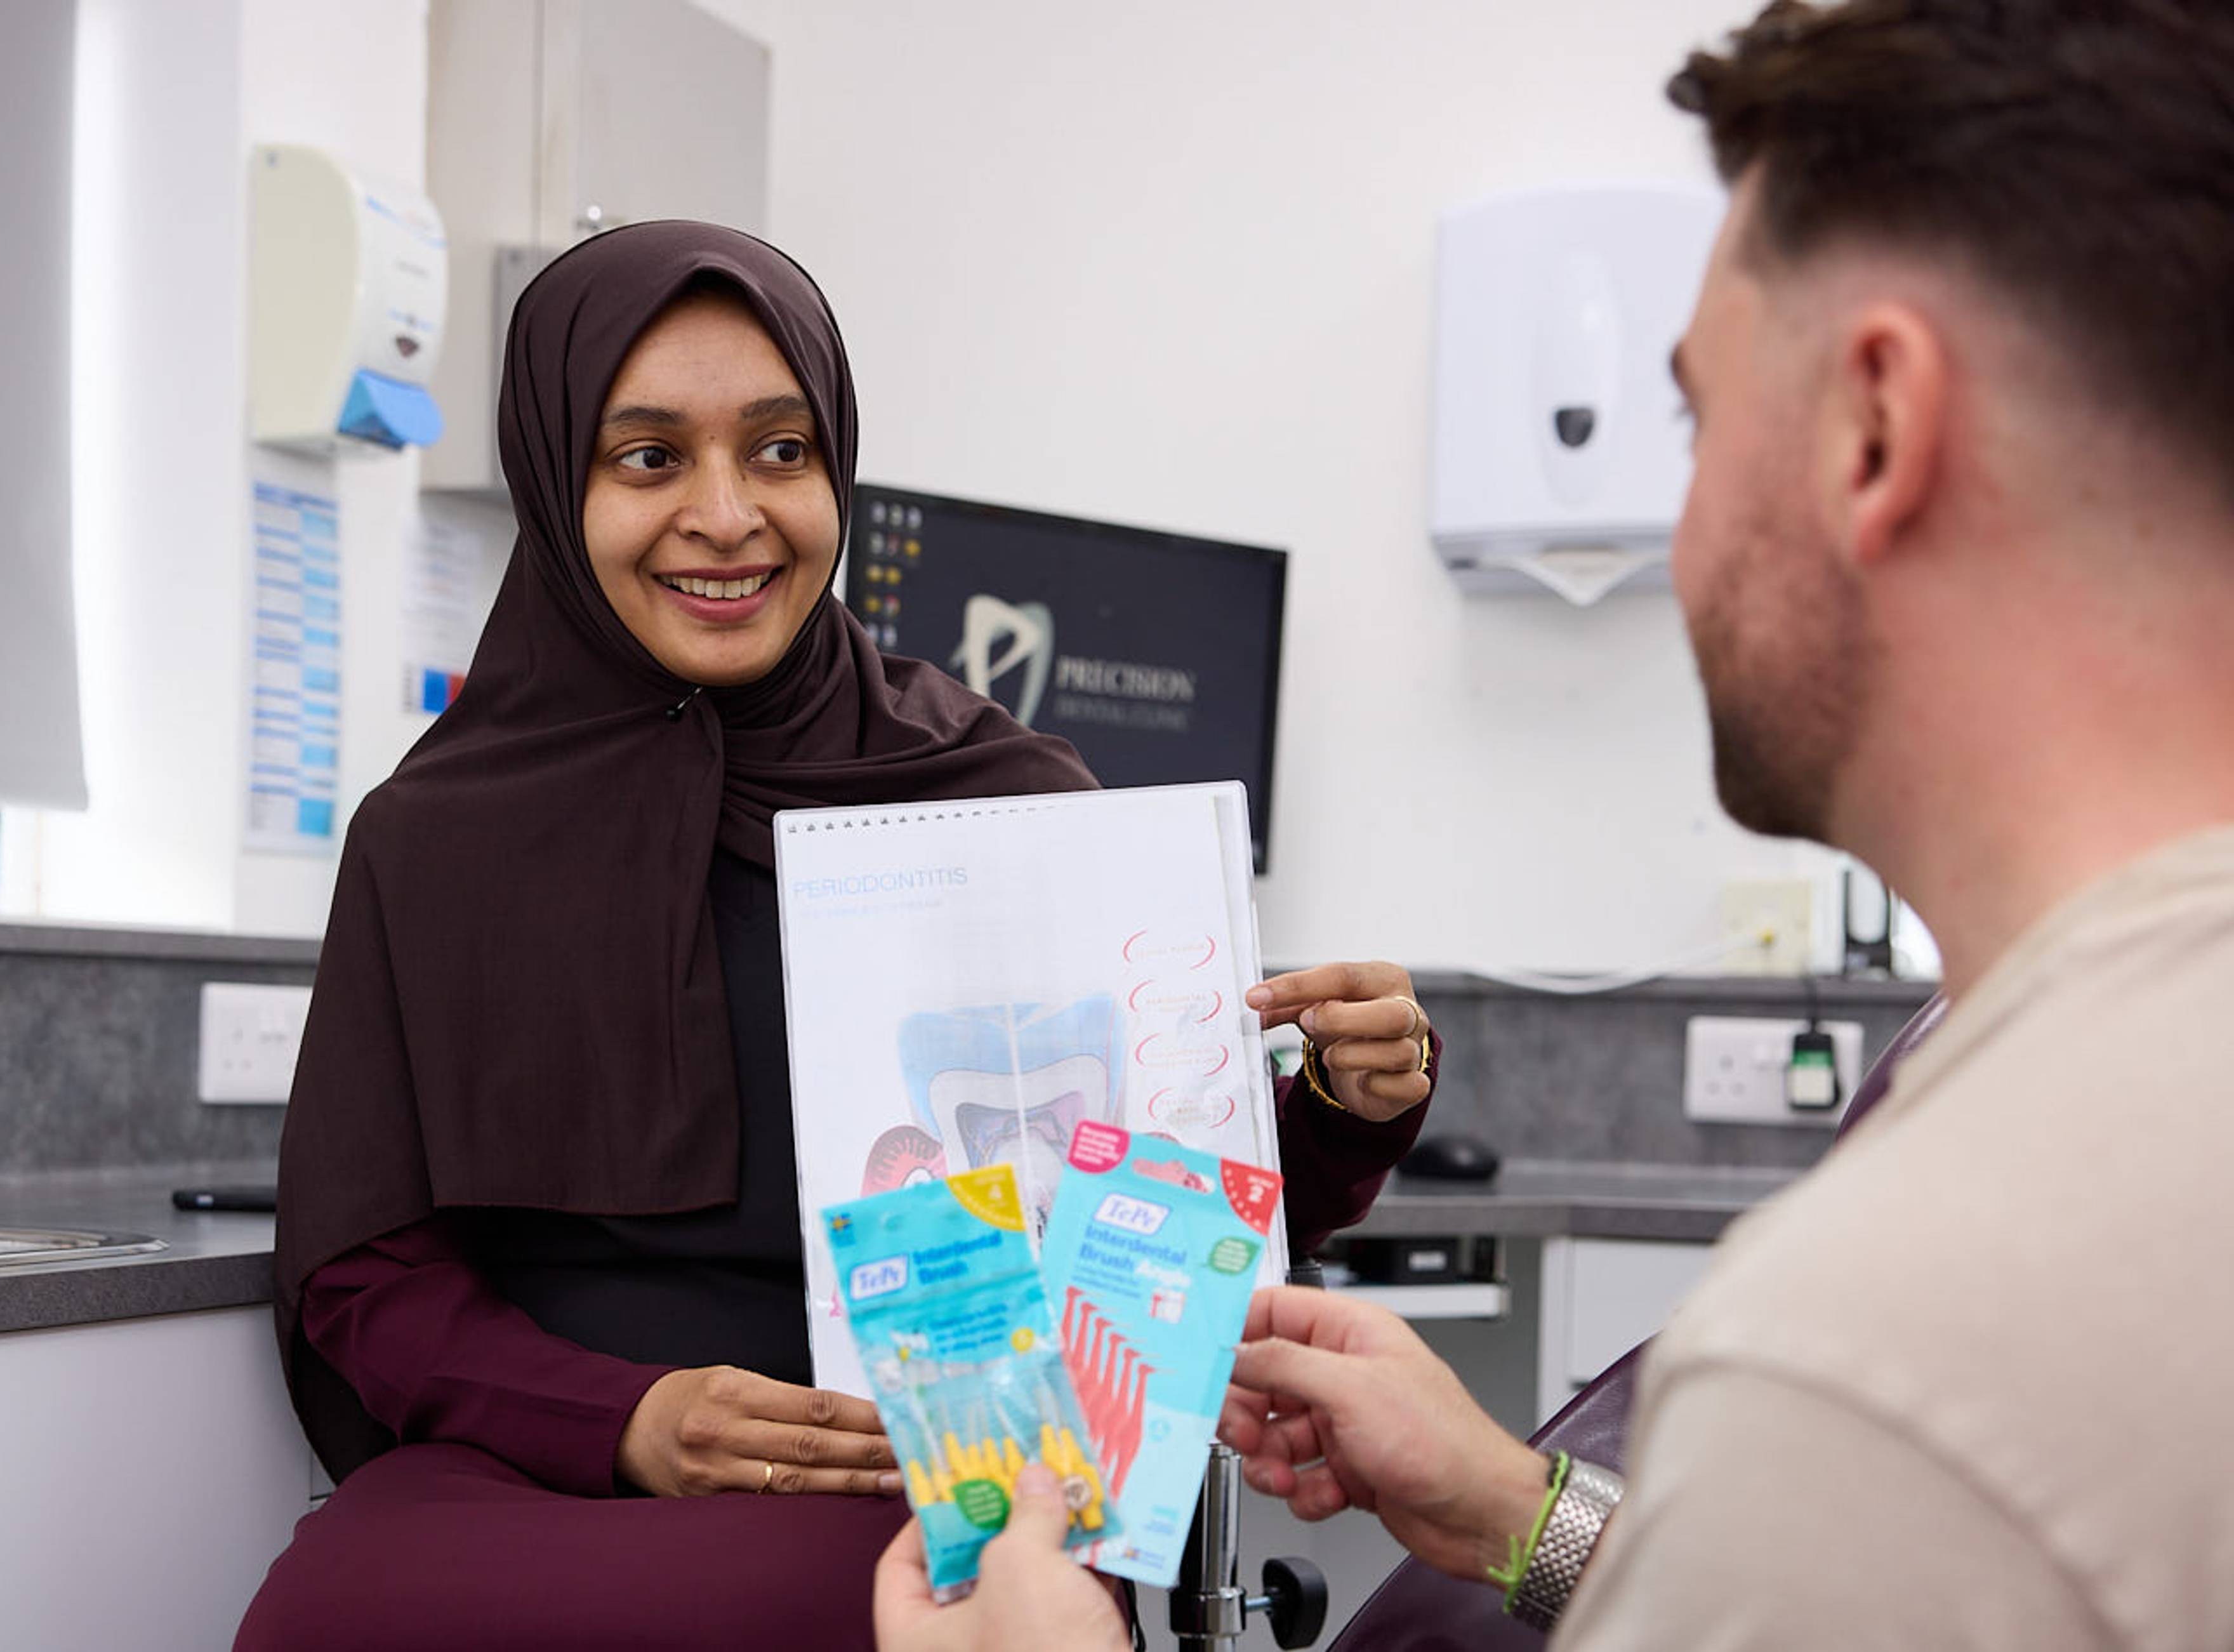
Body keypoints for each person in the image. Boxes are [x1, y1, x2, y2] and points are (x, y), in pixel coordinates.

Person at [876, 1, 2234, 1648]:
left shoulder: (1887, 1363)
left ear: (1876, 425)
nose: (1675, 535)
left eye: (1699, 416)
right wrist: (1528, 1514)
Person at [235, 221, 1445, 1651]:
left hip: (924, 1448)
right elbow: (370, 1277)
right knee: (328, 1617)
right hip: (544, 1448)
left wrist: (1336, 1103)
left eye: (778, 450)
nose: (728, 514)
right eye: (647, 459)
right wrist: (630, 1419)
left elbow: (1158, 1213)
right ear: (558, 487)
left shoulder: (999, 798)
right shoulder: (431, 838)